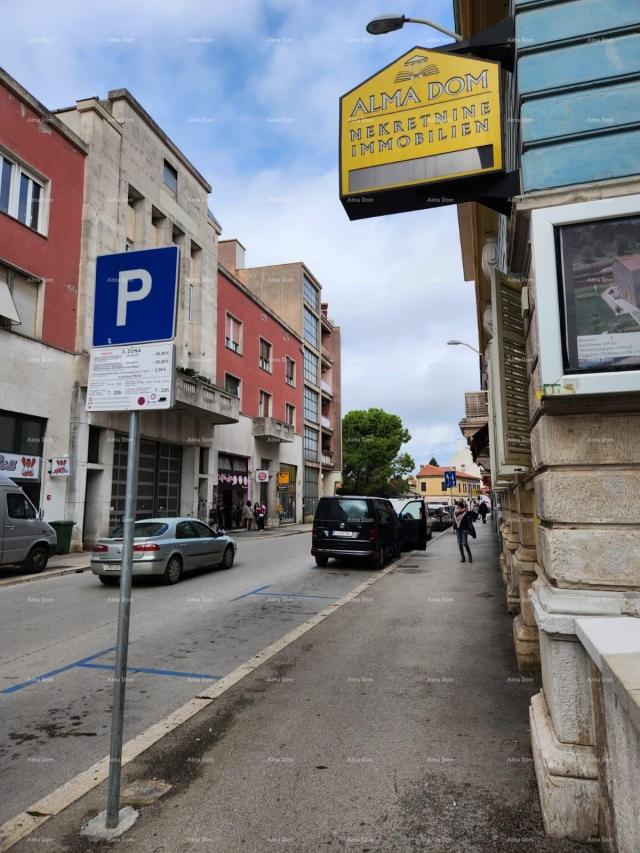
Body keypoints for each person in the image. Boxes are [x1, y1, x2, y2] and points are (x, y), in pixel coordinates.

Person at [453, 499, 476, 563]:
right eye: (457, 507)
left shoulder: (466, 513)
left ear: (462, 507)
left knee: (465, 543)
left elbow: (473, 516)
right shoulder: (456, 513)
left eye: (459, 507)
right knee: (460, 544)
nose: (458, 509)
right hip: (458, 530)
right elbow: (455, 521)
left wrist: (470, 518)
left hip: (464, 530)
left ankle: (470, 557)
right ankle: (462, 557)